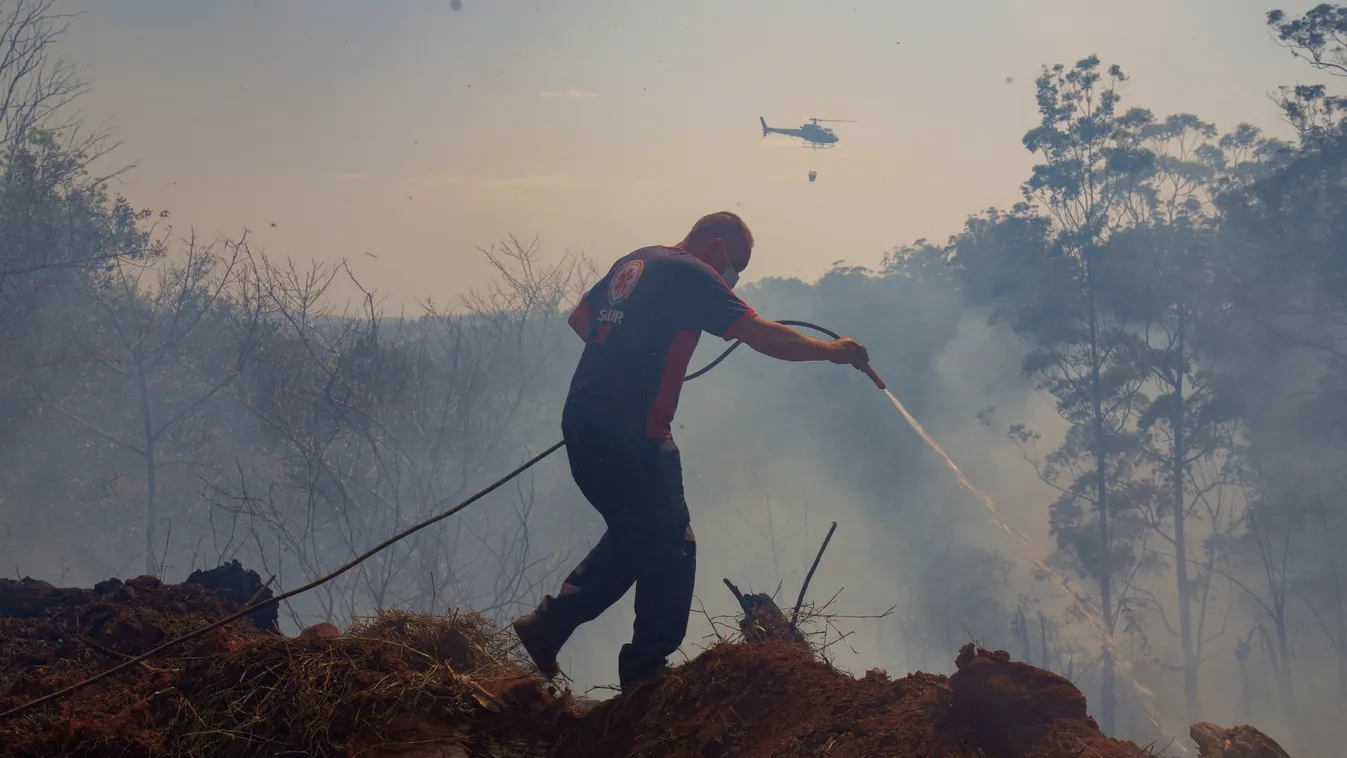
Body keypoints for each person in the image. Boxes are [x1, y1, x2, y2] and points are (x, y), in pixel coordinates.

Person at [511, 211, 872, 692]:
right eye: (737, 265)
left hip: (583, 423)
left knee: (638, 535)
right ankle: (645, 671)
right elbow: (761, 334)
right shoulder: (692, 273)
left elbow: (582, 318)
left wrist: (629, 358)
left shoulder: (636, 261)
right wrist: (831, 351)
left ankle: (549, 627)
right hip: (635, 434)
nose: (735, 276)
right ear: (717, 246)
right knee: (673, 546)